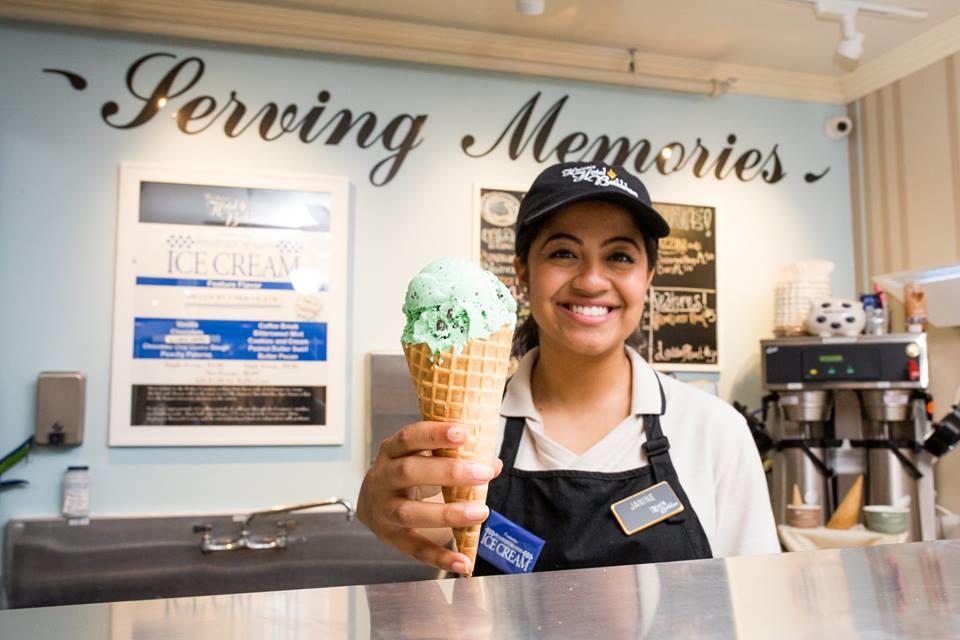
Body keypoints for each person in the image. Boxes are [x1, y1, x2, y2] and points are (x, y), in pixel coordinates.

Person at [358, 161, 779, 576]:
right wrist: (382, 518)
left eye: (619, 256)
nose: (592, 281)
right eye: (563, 252)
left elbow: (757, 605)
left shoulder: (715, 431)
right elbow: (422, 565)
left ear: (648, 276)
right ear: (523, 270)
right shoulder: (465, 435)